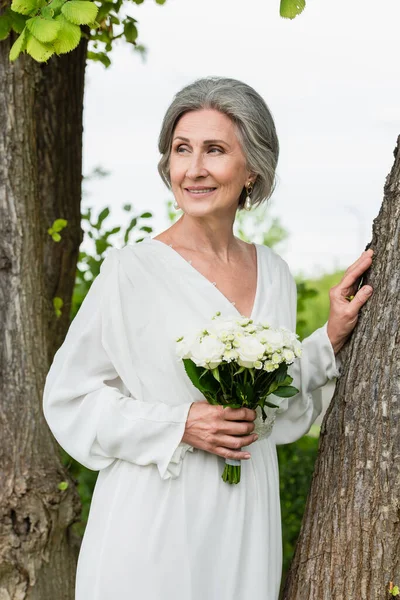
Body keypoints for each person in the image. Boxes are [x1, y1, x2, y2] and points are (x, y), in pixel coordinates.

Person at [43, 77, 373, 600]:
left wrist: (329, 337)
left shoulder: (276, 273)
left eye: (214, 150)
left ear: (253, 170)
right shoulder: (131, 272)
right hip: (152, 515)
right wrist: (178, 423)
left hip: (244, 518)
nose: (193, 169)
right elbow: (69, 398)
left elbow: (272, 408)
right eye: (181, 149)